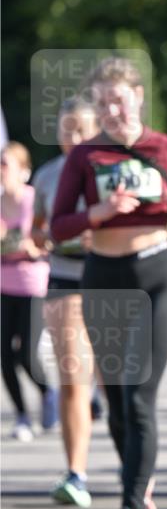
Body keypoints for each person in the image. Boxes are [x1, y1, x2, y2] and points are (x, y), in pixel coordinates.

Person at [51, 57, 167, 509]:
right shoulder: (86, 156)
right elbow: (57, 227)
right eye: (102, 104)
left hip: (159, 275)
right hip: (104, 277)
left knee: (139, 395)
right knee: (117, 403)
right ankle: (140, 488)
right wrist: (97, 213)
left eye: (118, 100)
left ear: (138, 97)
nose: (112, 111)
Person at [32, 97, 100, 506]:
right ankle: (76, 473)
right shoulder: (47, 175)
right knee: (73, 376)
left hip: (112, 277)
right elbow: (39, 230)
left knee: (121, 384)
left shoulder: (112, 170)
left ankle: (136, 474)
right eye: (66, 129)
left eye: (81, 129)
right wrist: (49, 237)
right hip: (65, 276)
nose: (73, 138)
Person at [1, 142, 55, 440]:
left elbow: (46, 241)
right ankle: (22, 415)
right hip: (4, 285)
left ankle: (49, 393)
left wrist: (23, 245)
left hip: (33, 285)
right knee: (4, 357)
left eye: (6, 164)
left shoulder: (33, 200)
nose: (1, 170)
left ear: (24, 170)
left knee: (27, 356)